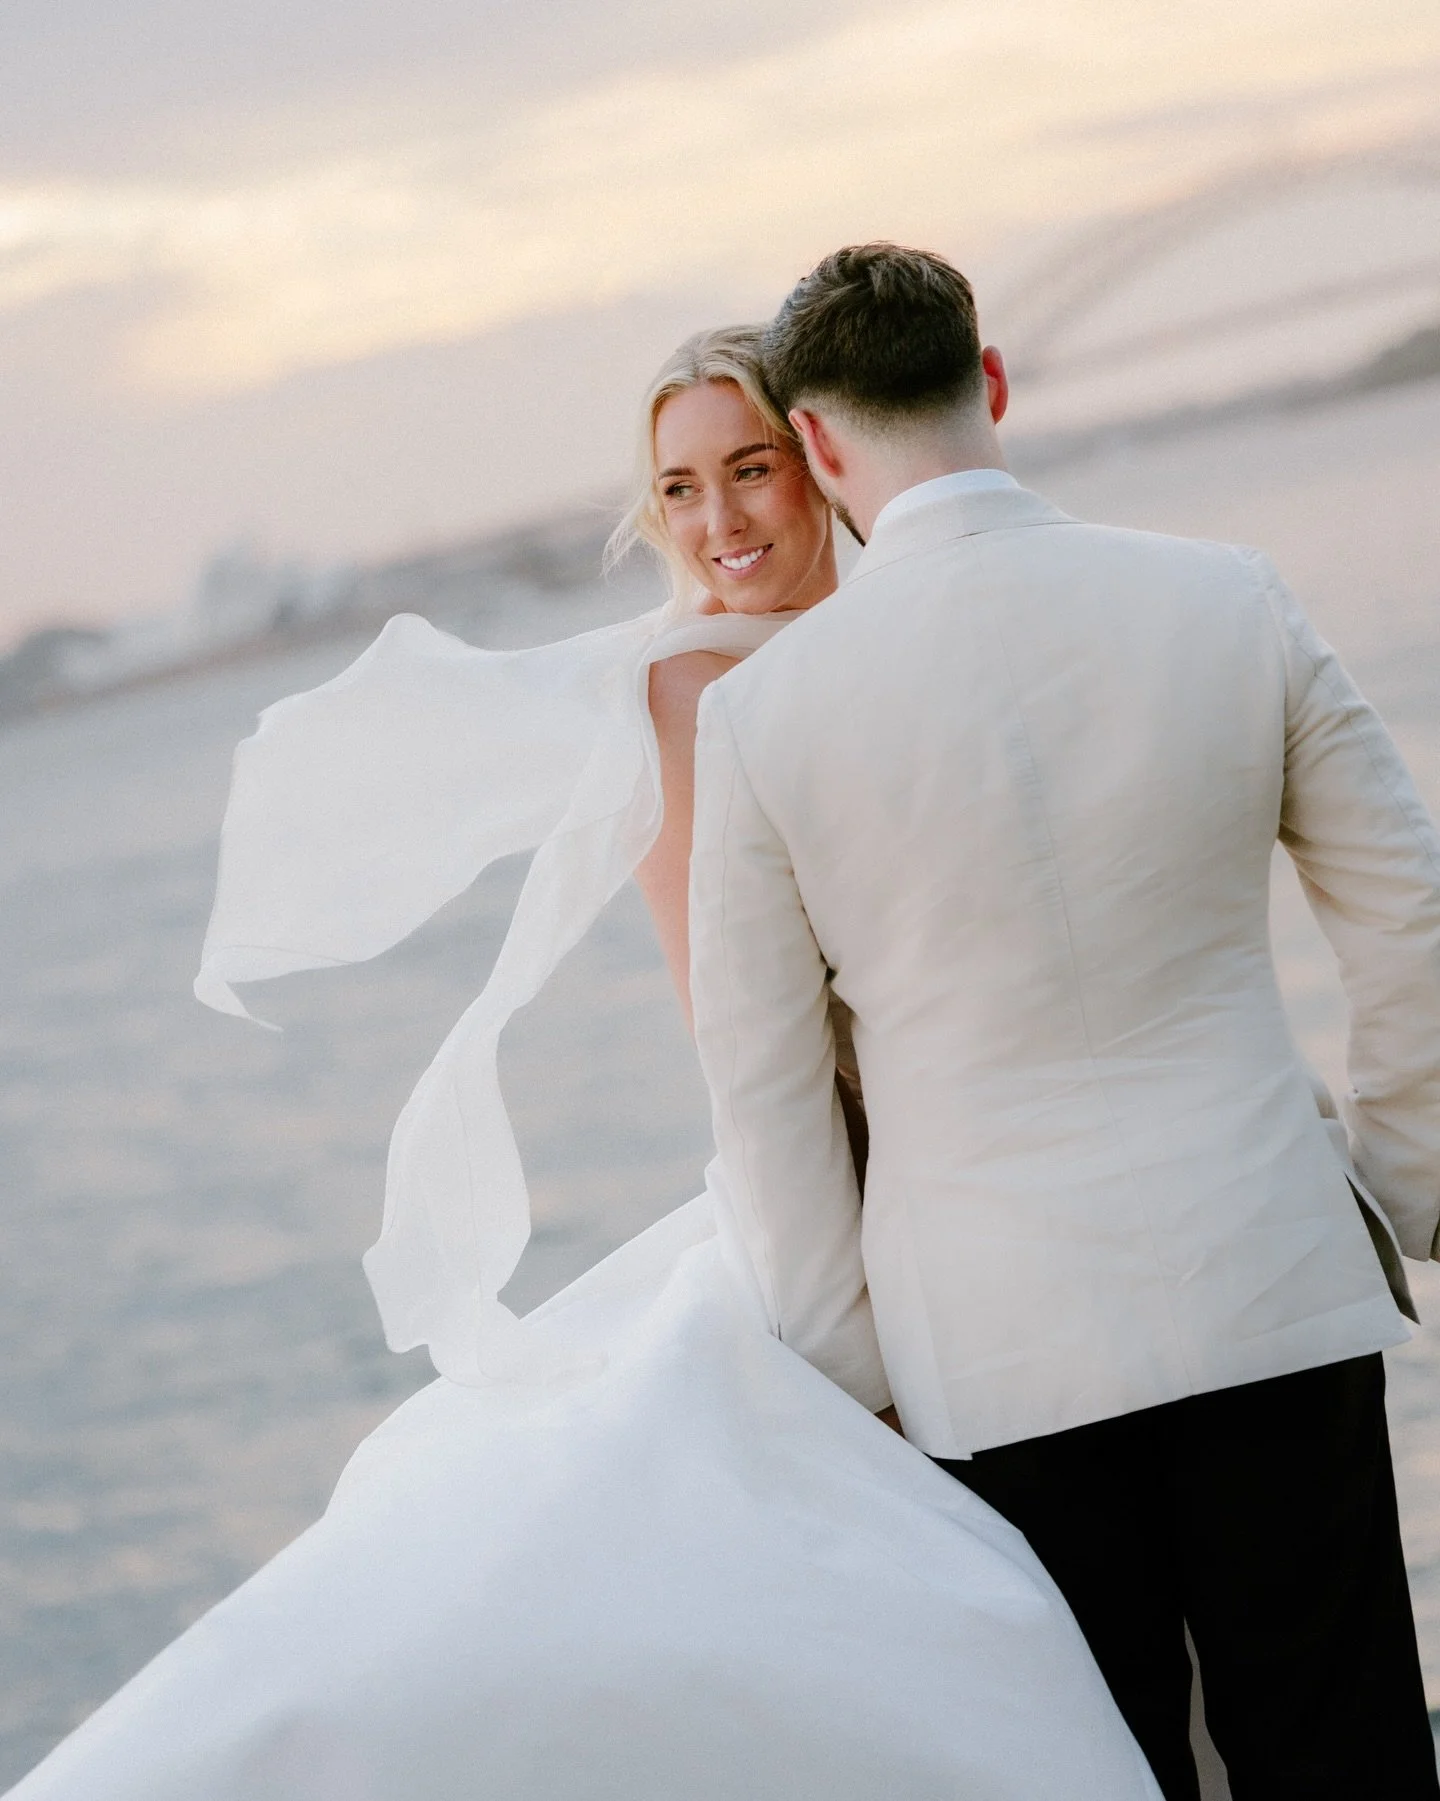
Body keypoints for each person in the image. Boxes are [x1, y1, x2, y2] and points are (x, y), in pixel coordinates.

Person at [3, 327, 1161, 1801]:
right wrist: (854, 1322)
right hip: (852, 1220)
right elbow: (737, 1037)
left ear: (819, 458)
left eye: (748, 470)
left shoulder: (919, 635)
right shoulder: (686, 693)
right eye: (680, 489)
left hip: (1007, 1201)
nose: (720, 522)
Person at [686, 242, 1440, 1801]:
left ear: (817, 447)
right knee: (1345, 1755)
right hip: (1269, 1277)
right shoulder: (1225, 597)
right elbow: (1411, 917)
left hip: (991, 1355)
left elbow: (761, 1091)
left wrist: (855, 1373)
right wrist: (1409, 1184)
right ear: (995, 384)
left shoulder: (765, 719)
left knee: (1102, 1772)